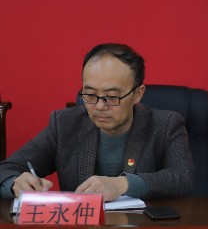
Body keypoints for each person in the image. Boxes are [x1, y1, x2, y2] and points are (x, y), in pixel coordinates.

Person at [0, 43, 193, 201]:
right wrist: (15, 183)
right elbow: (5, 169)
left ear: (137, 94)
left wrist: (123, 184)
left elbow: (182, 177)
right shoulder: (65, 125)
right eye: (90, 95)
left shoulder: (165, 124)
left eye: (111, 96)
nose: (99, 106)